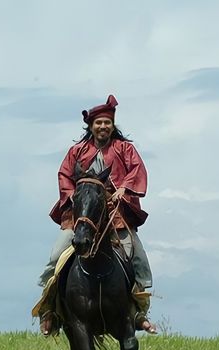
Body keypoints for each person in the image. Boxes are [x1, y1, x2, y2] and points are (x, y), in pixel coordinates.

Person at [37, 94, 156, 335]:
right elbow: (64, 176)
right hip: (82, 216)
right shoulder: (77, 151)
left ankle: (139, 311)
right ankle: (49, 309)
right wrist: (73, 195)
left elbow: (137, 170)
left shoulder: (125, 149)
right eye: (98, 123)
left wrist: (124, 188)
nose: (103, 127)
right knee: (57, 255)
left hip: (115, 215)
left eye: (107, 123)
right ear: (91, 126)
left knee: (139, 260)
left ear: (113, 125)